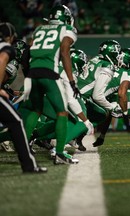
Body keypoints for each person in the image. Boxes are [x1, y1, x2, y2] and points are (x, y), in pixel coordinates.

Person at [23, 5, 80, 164]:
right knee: (62, 113)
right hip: (49, 73)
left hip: (32, 73)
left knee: (37, 109)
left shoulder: (39, 29)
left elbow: (28, 52)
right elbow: (64, 52)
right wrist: (71, 80)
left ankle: (24, 148)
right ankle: (60, 153)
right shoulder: (67, 29)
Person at [0, 22, 47, 173]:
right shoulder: (6, 47)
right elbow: (2, 61)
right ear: (10, 37)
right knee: (16, 121)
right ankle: (28, 165)